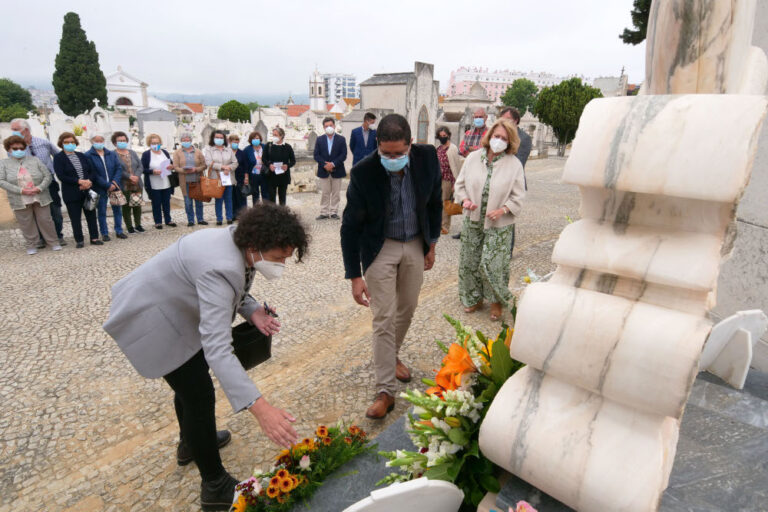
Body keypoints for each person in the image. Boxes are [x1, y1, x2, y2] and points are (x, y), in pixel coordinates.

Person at [103, 204, 308, 511]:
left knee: (190, 387)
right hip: (153, 319)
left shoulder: (238, 241)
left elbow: (235, 286)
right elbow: (217, 347)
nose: (282, 264)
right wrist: (260, 407)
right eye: (279, 257)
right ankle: (214, 484)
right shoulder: (220, 265)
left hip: (172, 309)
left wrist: (252, 311)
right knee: (198, 394)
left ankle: (191, 444)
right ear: (255, 245)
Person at [341, 114, 442, 419]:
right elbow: (349, 227)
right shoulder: (364, 172)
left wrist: (431, 244)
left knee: (407, 308)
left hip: (414, 242)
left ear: (411, 144)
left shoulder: (427, 158)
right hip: (379, 247)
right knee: (383, 316)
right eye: (387, 154)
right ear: (378, 146)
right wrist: (355, 276)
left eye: (399, 154)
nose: (393, 159)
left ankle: (391, 355)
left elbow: (435, 201)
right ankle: (385, 390)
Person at [453, 119, 525, 322]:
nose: (499, 141)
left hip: (499, 224)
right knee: (470, 261)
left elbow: (518, 196)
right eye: (496, 136)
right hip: (473, 219)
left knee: (492, 264)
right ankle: (473, 298)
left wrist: (503, 209)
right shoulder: (473, 158)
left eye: (504, 138)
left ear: (510, 142)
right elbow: (460, 185)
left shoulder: (514, 164)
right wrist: (465, 200)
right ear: (489, 136)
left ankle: (496, 302)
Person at [0, 135, 61, 254]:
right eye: (15, 149)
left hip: (40, 195)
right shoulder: (3, 163)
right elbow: (1, 181)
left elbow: (47, 175)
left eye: (21, 148)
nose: (18, 151)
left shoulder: (35, 160)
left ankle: (53, 242)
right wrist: (21, 190)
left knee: (46, 220)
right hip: (20, 198)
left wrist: (39, 188)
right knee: (26, 222)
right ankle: (32, 244)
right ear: (8, 149)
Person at [10, 118, 66, 247]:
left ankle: (58, 236)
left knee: (55, 211)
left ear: (26, 130)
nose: (13, 132)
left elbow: (58, 156)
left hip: (49, 182)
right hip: (28, 185)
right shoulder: (14, 148)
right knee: (34, 213)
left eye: (15, 130)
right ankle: (40, 238)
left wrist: (56, 172)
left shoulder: (44, 143)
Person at [53, 132, 102, 248]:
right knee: (75, 217)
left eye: (72, 142)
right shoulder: (58, 158)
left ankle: (94, 237)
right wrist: (79, 182)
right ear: (61, 143)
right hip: (72, 192)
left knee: (91, 215)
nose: (70, 144)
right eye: (66, 142)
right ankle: (79, 240)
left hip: (87, 191)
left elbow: (92, 171)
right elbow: (61, 176)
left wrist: (89, 181)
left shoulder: (81, 155)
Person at [500, 107, 533, 256]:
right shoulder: (499, 135)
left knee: (508, 216)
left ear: (516, 121)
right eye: (502, 119)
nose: (504, 122)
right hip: (497, 181)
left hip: (513, 183)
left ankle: (508, 250)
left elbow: (519, 162)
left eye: (508, 119)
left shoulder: (524, 138)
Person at [86, 133, 126, 241]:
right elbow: (93, 173)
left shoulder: (110, 154)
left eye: (101, 141)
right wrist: (106, 185)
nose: (99, 143)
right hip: (100, 187)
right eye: (96, 141)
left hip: (115, 186)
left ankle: (119, 230)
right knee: (102, 211)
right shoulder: (88, 155)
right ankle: (104, 233)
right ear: (92, 142)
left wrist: (114, 182)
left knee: (117, 209)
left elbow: (118, 168)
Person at [313, 117, 347, 220]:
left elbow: (343, 154)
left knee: (336, 193)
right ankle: (324, 212)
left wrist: (333, 164)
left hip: (337, 169)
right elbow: (316, 155)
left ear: (334, 126)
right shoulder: (319, 139)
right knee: (325, 192)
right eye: (326, 126)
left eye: (330, 125)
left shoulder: (341, 139)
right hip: (323, 170)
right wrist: (325, 164)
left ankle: (333, 212)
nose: (329, 127)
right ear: (323, 127)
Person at [142, 134, 176, 229]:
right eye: (153, 143)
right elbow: (142, 169)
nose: (155, 145)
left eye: (157, 143)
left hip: (166, 182)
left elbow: (171, 164)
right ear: (149, 144)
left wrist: (171, 166)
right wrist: (152, 171)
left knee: (166, 202)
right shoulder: (146, 155)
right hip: (154, 183)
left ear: (160, 143)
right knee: (156, 203)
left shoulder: (165, 152)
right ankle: (158, 221)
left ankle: (168, 220)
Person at [173, 133, 208, 227]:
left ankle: (200, 219)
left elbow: (204, 165)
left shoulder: (198, 151)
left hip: (197, 180)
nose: (186, 142)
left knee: (199, 201)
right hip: (185, 181)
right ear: (181, 141)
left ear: (191, 140)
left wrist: (196, 169)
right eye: (184, 140)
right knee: (188, 202)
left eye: (187, 140)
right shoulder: (177, 153)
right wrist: (184, 171)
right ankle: (190, 220)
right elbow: (175, 167)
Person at [203, 130, 237, 225]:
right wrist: (222, 167)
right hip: (216, 178)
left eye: (221, 137)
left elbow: (235, 162)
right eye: (217, 137)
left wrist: (229, 168)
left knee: (229, 199)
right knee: (218, 199)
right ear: (213, 138)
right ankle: (219, 218)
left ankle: (229, 217)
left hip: (228, 177)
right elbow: (209, 162)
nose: (219, 139)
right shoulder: (209, 150)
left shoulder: (229, 150)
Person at [435, 126, 463, 235]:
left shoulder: (453, 148)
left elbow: (455, 167)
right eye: (440, 136)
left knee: (445, 202)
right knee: (438, 203)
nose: (442, 138)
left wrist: (454, 183)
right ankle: (439, 224)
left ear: (448, 135)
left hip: (447, 180)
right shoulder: (439, 148)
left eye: (444, 136)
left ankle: (445, 226)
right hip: (438, 179)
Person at [264, 127, 295, 206]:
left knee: (282, 198)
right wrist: (269, 165)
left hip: (283, 176)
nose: (274, 136)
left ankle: (282, 215)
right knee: (271, 198)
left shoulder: (288, 147)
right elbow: (264, 158)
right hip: (271, 176)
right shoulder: (269, 145)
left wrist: (287, 165)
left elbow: (293, 160)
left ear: (281, 136)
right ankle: (272, 215)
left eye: (276, 135)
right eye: (273, 135)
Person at [241, 131, 270, 206]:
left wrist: (266, 162)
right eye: (253, 138)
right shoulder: (247, 150)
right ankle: (256, 212)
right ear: (250, 140)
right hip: (253, 175)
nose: (256, 140)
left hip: (264, 174)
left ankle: (267, 211)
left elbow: (270, 158)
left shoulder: (265, 147)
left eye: (257, 138)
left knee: (266, 194)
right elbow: (245, 165)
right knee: (255, 195)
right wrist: (246, 177)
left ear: (260, 139)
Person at [228, 134, 247, 217]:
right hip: (230, 177)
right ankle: (233, 214)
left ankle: (243, 214)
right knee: (231, 197)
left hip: (240, 177)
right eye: (233, 142)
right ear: (230, 142)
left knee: (241, 197)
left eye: (237, 142)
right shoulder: (227, 152)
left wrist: (246, 177)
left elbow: (246, 166)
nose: (235, 143)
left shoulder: (242, 153)